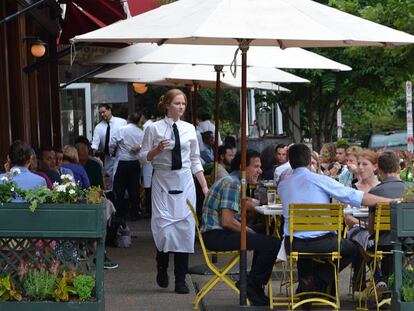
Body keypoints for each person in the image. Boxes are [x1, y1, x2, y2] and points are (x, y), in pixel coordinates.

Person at [278, 143, 395, 296]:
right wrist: (392, 201)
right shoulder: (319, 180)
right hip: (323, 241)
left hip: (292, 243)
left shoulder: (283, 184)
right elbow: (356, 197)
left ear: (290, 161)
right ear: (309, 161)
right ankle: (318, 281)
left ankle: (307, 284)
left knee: (308, 251)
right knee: (355, 247)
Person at [140, 89, 208, 294]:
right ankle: (161, 266)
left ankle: (180, 279)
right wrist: (157, 150)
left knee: (185, 229)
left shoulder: (190, 129)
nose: (181, 107)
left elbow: (195, 160)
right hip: (162, 179)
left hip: (185, 179)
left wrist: (204, 186)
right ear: (167, 105)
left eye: (184, 104)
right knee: (163, 228)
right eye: (177, 103)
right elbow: (143, 157)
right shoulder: (153, 128)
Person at [201, 149, 281, 306]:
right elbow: (227, 221)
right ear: (242, 166)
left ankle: (254, 282)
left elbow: (245, 202)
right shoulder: (232, 184)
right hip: (216, 235)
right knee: (273, 243)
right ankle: (252, 285)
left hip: (217, 232)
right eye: (256, 166)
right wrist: (249, 231)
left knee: (266, 233)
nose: (260, 170)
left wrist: (258, 206)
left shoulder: (234, 182)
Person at [109, 112, 144, 221]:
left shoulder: (122, 130)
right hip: (135, 162)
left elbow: (112, 143)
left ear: (128, 118)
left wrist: (112, 153)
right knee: (134, 188)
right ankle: (134, 212)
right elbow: (146, 144)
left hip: (123, 161)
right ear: (138, 121)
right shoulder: (141, 132)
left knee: (119, 188)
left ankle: (119, 212)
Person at [91, 103, 127, 191]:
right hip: (108, 158)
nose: (102, 115)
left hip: (121, 156)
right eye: (100, 113)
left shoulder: (122, 122)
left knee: (120, 181)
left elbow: (127, 137)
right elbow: (95, 144)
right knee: (110, 183)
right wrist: (92, 154)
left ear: (109, 110)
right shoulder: (98, 127)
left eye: (103, 112)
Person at [140, 110, 154, 217]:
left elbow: (143, 145)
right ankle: (149, 209)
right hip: (149, 162)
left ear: (143, 116)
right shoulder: (150, 126)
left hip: (148, 162)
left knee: (148, 186)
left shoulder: (147, 127)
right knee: (148, 185)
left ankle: (149, 209)